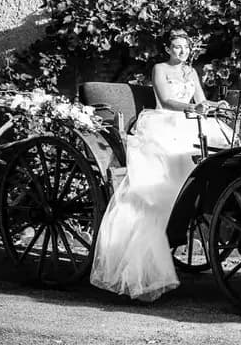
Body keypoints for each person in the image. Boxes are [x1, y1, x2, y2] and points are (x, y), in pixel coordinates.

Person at [90, 29, 231, 301]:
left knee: (220, 144)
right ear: (168, 48)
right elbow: (166, 100)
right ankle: (171, 205)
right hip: (165, 121)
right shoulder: (159, 69)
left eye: (186, 48)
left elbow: (200, 100)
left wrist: (214, 104)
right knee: (176, 158)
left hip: (191, 120)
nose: (182, 52)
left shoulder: (191, 72)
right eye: (177, 47)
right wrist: (191, 109)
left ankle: (203, 194)